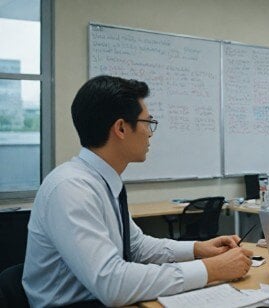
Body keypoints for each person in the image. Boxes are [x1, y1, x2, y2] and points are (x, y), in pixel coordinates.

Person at [23, 75, 253, 307]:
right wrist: (210, 270)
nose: (150, 133)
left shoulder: (101, 181)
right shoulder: (71, 188)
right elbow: (112, 283)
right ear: (121, 128)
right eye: (147, 123)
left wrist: (199, 249)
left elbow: (136, 247)